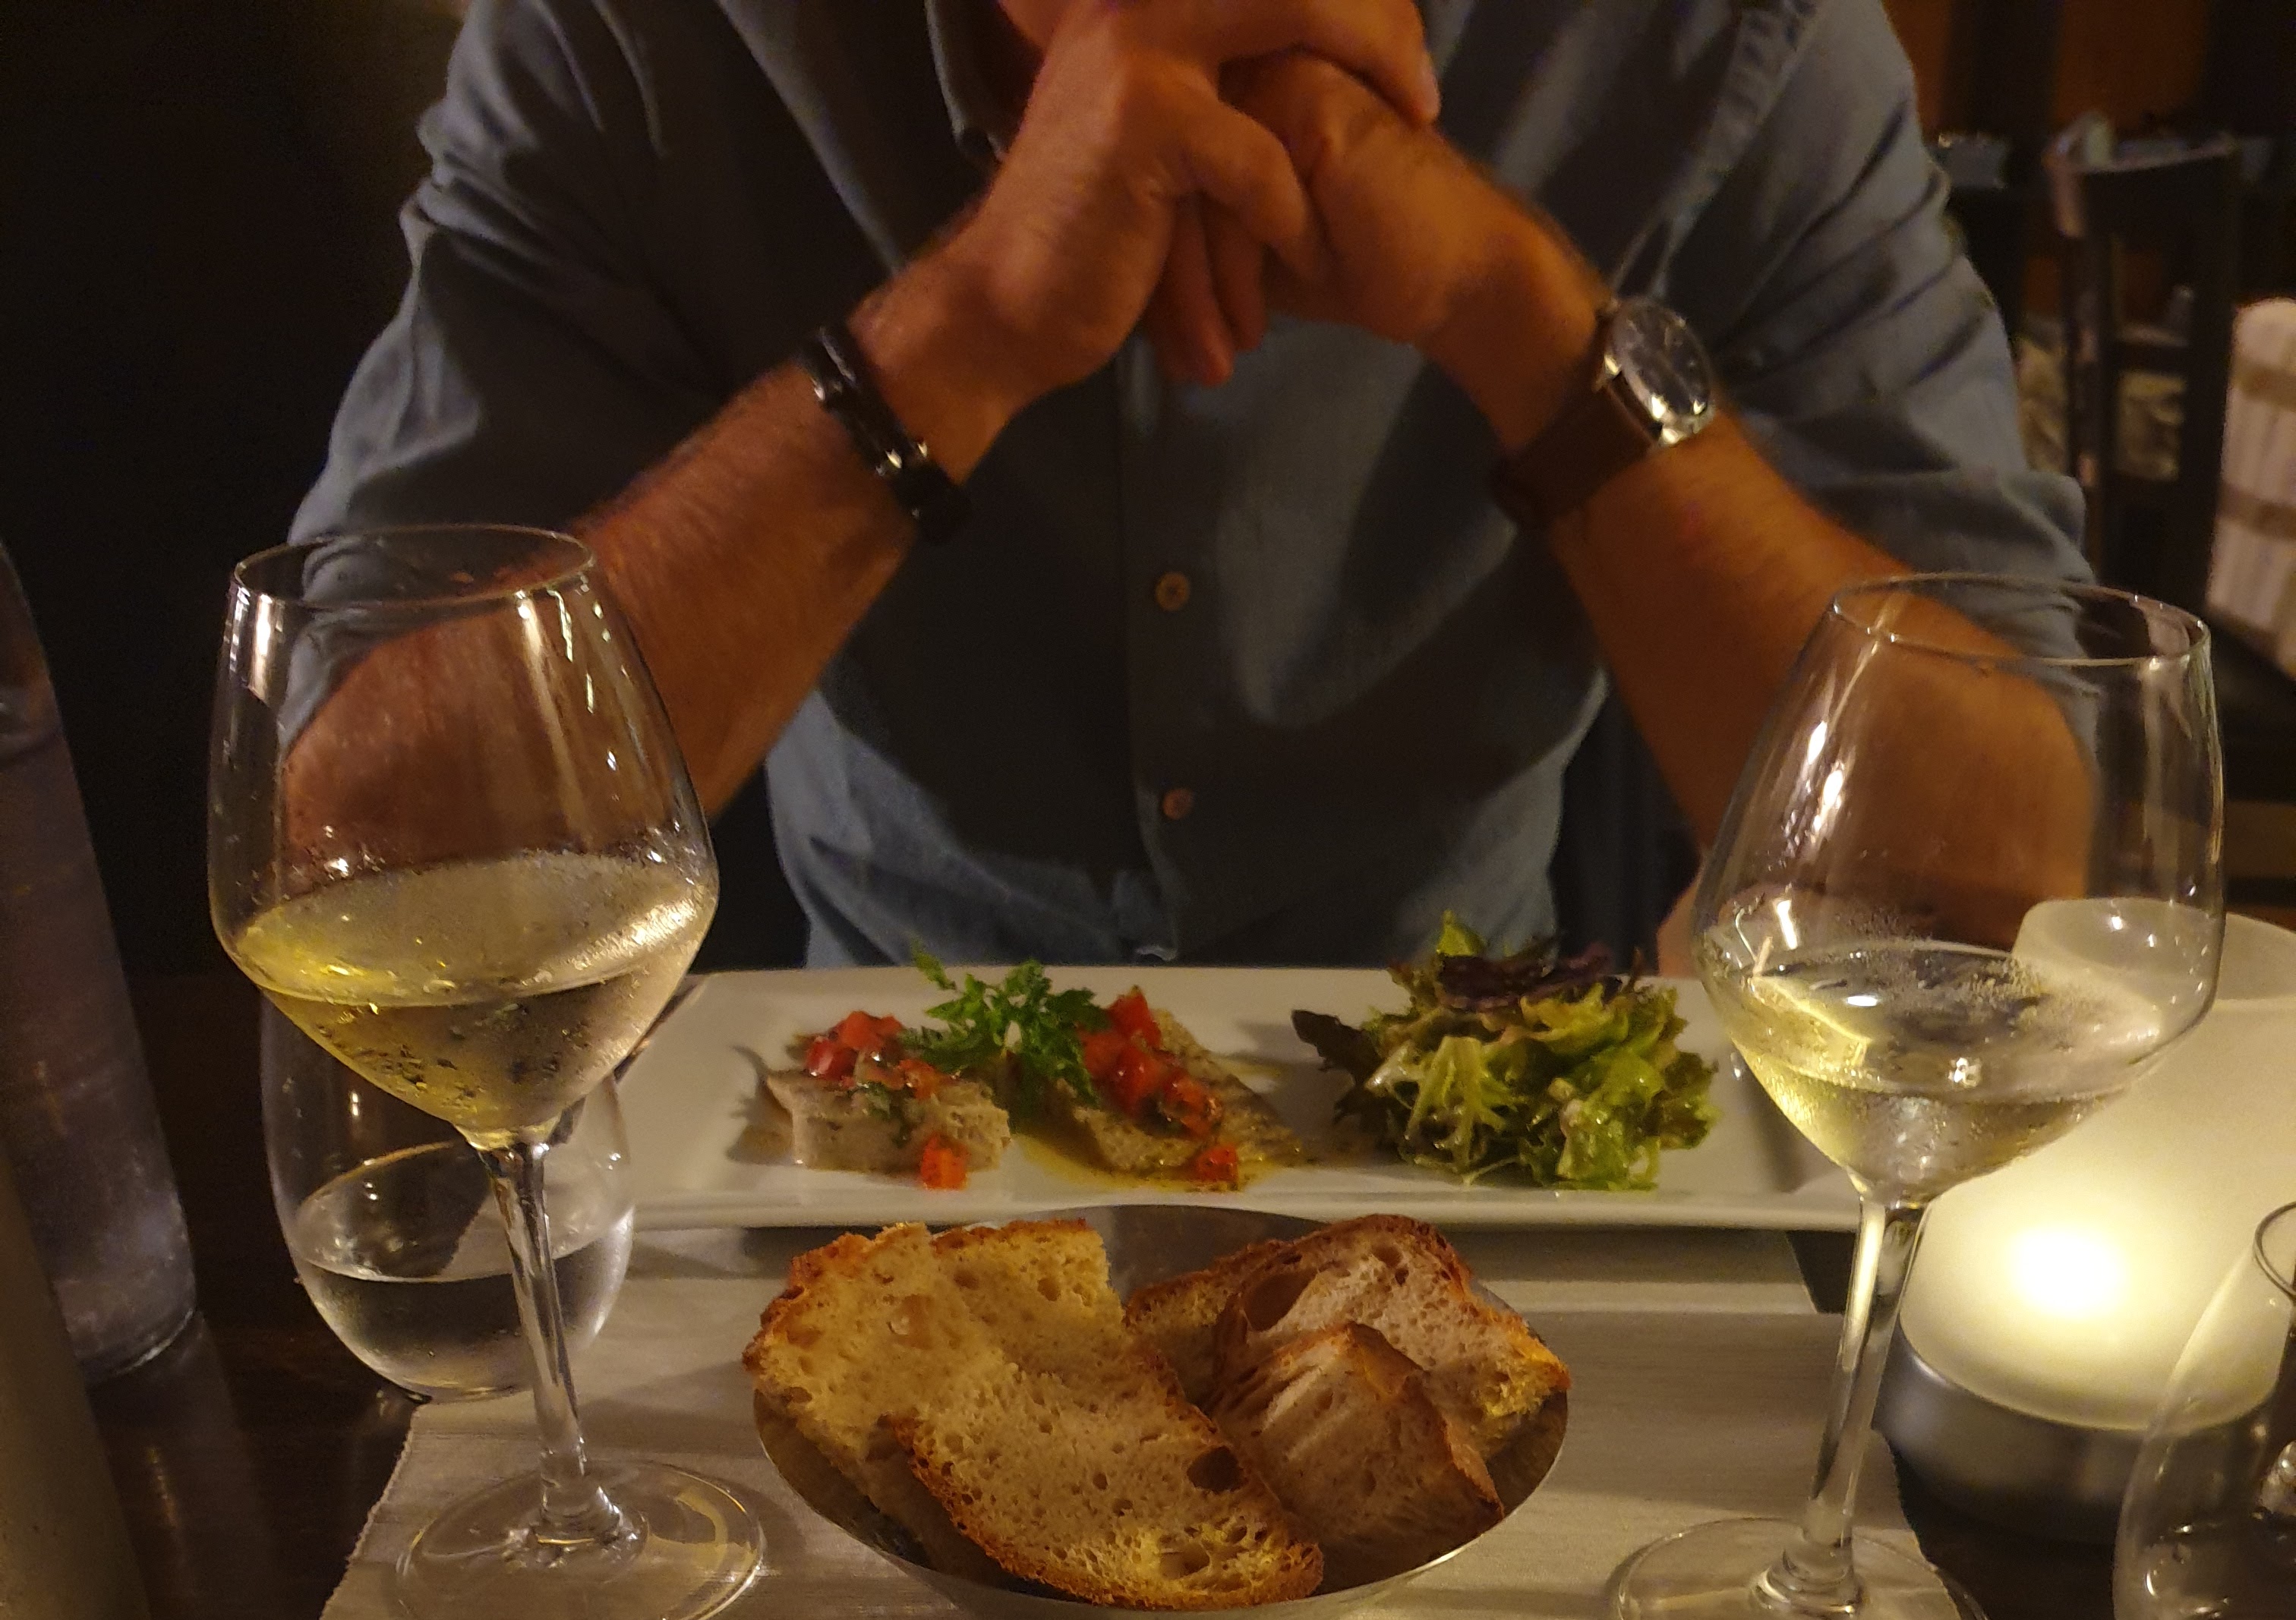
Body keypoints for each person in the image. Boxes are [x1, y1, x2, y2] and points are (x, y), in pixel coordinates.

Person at [298, 0, 2086, 969]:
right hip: (857, 1124)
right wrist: (962, 330)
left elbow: (2004, 872)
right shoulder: (637, 40)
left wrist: (1525, 325)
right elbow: (362, 841)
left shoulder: (1733, 42)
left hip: (1485, 1116)